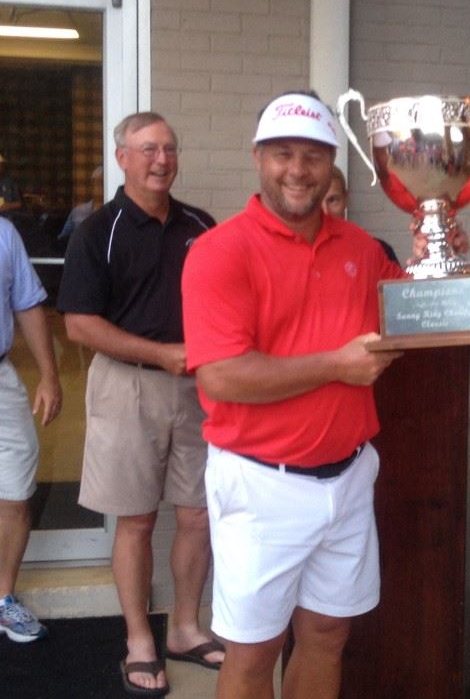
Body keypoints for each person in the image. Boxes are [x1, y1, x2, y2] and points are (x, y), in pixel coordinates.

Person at [180, 90, 405, 699]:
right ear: (258, 157)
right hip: (261, 484)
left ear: (332, 163)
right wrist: (337, 365)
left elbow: (417, 316)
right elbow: (222, 376)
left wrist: (441, 256)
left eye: (312, 156)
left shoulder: (361, 249)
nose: (298, 170)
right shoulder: (218, 251)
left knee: (328, 634)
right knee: (253, 653)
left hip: (349, 476)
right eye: (283, 154)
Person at [57, 112, 221, 696]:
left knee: (198, 514)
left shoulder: (201, 225)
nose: (161, 159)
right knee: (135, 519)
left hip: (200, 388)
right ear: (122, 156)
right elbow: (79, 325)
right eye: (148, 148)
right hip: (127, 385)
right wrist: (161, 353)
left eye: (170, 148)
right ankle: (138, 640)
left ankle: (183, 627)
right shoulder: (96, 230)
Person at [0, 216, 62, 643]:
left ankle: (3, 598)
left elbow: (26, 303)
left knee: (17, 492)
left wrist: (49, 375)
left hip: (1, 378)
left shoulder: (4, 234)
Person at [322, 164, 400, 263]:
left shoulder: (378, 252)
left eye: (333, 200)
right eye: (317, 202)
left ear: (346, 199)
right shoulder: (297, 257)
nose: (325, 212)